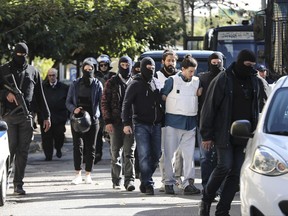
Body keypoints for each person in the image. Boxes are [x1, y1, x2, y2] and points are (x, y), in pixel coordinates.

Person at [199, 49, 262, 216]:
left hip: (245, 135)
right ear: (240, 62)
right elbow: (209, 108)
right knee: (224, 167)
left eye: (252, 66)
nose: (249, 68)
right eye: (247, 65)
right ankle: (206, 199)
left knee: (235, 173)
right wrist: (207, 135)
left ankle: (222, 210)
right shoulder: (224, 79)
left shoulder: (255, 80)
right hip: (224, 133)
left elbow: (260, 106)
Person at [0, 42, 51, 195]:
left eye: (23, 55)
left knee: (23, 152)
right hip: (8, 118)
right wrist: (5, 94)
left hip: (26, 117)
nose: (20, 57)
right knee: (10, 151)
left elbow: (40, 96)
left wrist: (46, 116)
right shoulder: (3, 70)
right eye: (18, 54)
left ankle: (18, 184)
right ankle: (5, 180)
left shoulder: (33, 71)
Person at [122, 57, 164, 195]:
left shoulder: (156, 81)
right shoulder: (135, 84)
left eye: (153, 68)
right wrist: (126, 123)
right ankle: (148, 183)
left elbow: (160, 103)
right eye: (148, 68)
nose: (151, 70)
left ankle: (145, 178)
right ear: (142, 67)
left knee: (157, 154)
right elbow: (126, 104)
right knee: (144, 155)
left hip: (156, 124)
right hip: (140, 124)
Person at [161, 55, 202, 195]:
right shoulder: (172, 80)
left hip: (190, 123)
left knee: (189, 156)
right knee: (169, 155)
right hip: (172, 123)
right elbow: (163, 97)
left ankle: (188, 183)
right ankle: (169, 182)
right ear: (183, 69)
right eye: (190, 71)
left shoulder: (196, 81)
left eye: (194, 71)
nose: (193, 73)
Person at [101, 56, 136, 191]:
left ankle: (129, 180)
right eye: (122, 65)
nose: (125, 67)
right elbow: (104, 103)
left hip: (130, 123)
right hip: (115, 123)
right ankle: (116, 180)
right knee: (115, 153)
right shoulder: (111, 82)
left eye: (127, 65)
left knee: (129, 153)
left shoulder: (134, 82)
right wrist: (107, 121)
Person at [66, 59, 102, 185]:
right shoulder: (75, 84)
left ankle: (88, 174)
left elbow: (102, 102)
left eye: (90, 69)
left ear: (93, 69)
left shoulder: (97, 84)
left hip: (92, 119)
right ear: (82, 70)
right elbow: (68, 101)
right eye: (86, 69)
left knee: (91, 147)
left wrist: (98, 116)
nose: (88, 71)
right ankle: (77, 174)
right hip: (77, 119)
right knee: (78, 146)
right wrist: (74, 109)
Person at [154, 49, 184, 192]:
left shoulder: (180, 76)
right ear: (163, 62)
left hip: (179, 118)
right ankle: (165, 179)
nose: (171, 63)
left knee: (179, 152)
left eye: (173, 60)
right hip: (163, 119)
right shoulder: (157, 76)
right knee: (165, 152)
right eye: (169, 60)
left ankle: (177, 178)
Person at [197, 52, 224, 191]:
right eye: (213, 62)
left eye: (218, 62)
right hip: (204, 124)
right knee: (206, 158)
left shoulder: (228, 77)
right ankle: (207, 187)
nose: (216, 65)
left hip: (223, 125)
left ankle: (218, 188)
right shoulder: (202, 78)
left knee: (221, 159)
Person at [38, 68, 69, 161]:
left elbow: (68, 101)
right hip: (45, 117)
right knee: (46, 137)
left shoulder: (64, 87)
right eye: (50, 75)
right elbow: (37, 101)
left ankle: (58, 148)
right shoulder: (42, 87)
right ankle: (48, 155)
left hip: (59, 117)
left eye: (53, 75)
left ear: (57, 76)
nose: (51, 77)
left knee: (59, 135)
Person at [94, 54, 115, 164]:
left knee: (111, 132)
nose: (103, 67)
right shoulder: (94, 76)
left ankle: (114, 153)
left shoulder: (113, 76)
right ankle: (97, 154)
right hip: (98, 107)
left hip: (110, 107)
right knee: (97, 132)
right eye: (101, 65)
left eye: (105, 65)